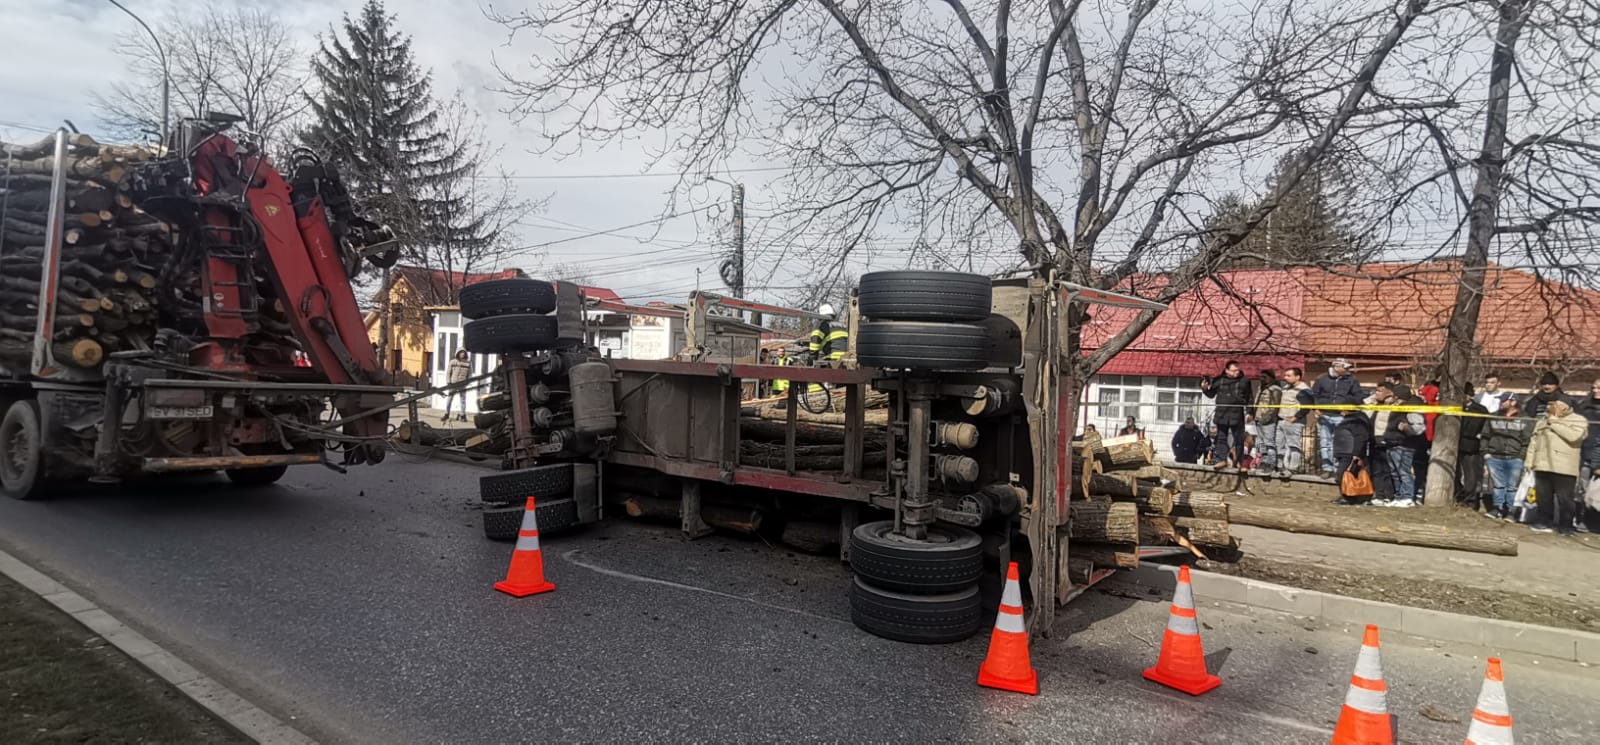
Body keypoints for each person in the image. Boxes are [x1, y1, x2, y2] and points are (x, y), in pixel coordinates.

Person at [1522, 399, 1588, 535]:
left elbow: (1574, 437)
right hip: (1541, 463)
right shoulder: (1542, 420)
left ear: (1565, 407)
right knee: (1543, 496)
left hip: (1564, 466)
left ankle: (1566, 526)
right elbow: (1533, 441)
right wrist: (1529, 461)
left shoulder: (1578, 420)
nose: (1549, 407)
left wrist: (1555, 421)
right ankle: (1543, 521)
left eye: (1554, 404)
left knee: (1565, 499)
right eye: (1549, 404)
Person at [1374, 382, 1427, 507]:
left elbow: (1419, 428)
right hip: (1392, 443)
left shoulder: (1410, 408)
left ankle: (1407, 497)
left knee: (1404, 472)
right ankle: (1398, 496)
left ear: (1398, 396)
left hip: (1404, 445)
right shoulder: (1396, 406)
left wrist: (1407, 429)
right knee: (1395, 472)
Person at [1481, 396, 1532, 521]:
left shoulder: (1525, 419)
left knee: (1512, 487)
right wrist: (1485, 452)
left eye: (1504, 401)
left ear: (1513, 402)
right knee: (1498, 486)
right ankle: (1497, 509)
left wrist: (1521, 457)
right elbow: (1485, 435)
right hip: (1495, 457)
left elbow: (1527, 441)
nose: (1501, 403)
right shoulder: (1493, 416)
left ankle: (1511, 512)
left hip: (1514, 458)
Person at [1310, 359, 1363, 477]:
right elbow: (1314, 395)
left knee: (1339, 444)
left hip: (1341, 416)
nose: (1347, 370)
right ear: (1336, 367)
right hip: (1324, 415)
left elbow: (1358, 396)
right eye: (1345, 367)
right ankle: (1327, 468)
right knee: (1325, 443)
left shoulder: (1352, 380)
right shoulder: (1322, 379)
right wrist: (1316, 409)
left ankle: (1338, 468)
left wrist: (1349, 409)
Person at [1200, 360, 1253, 469]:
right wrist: (1205, 389)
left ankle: (1239, 462)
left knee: (1238, 439)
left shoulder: (1244, 381)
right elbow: (1211, 394)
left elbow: (1249, 398)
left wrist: (1250, 412)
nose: (1236, 373)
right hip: (1222, 413)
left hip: (1237, 414)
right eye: (1233, 371)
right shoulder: (1219, 380)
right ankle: (1221, 459)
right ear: (1227, 370)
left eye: (1237, 370)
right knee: (1221, 438)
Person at [1456, 385, 1491, 510]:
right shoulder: (1455, 407)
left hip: (1472, 447)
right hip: (1454, 446)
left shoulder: (1479, 410)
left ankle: (1471, 501)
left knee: (1471, 476)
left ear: (1469, 395)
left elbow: (1478, 429)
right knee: (1454, 474)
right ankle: (1458, 497)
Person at [1332, 406, 1374, 505]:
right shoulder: (1350, 420)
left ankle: (1350, 497)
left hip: (1350, 453)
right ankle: (1346, 496)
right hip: (1344, 452)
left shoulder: (1357, 421)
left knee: (1344, 475)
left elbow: (1361, 438)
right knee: (1344, 475)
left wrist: (1357, 453)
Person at [1277, 367, 1310, 476]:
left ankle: (1293, 468)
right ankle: (1279, 466)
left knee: (1294, 446)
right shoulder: (1286, 388)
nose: (1285, 378)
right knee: (1279, 444)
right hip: (1282, 420)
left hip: (1294, 421)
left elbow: (1306, 407)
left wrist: (1295, 418)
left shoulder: (1303, 389)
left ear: (1297, 377)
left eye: (1288, 376)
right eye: (1285, 375)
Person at [1252, 370, 1283, 474]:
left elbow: (1275, 406)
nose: (1262, 379)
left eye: (1264, 377)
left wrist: (1267, 418)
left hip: (1268, 420)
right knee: (1261, 443)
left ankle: (1271, 463)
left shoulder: (1275, 389)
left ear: (1271, 378)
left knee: (1269, 442)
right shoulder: (1261, 388)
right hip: (1258, 418)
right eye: (1261, 377)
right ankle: (1263, 462)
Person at [1577, 379, 1600, 485]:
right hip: (1586, 450)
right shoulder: (1583, 406)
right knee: (1584, 483)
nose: (1595, 390)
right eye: (1593, 387)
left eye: (1599, 388)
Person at [442, 350, 472, 422]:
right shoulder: (453, 362)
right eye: (461, 353)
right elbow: (448, 372)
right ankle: (446, 414)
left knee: (463, 400)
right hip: (453, 383)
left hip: (462, 384)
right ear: (458, 353)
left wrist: (467, 382)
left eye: (463, 353)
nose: (462, 354)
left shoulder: (468, 363)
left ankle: (462, 415)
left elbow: (470, 374)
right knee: (449, 399)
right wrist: (448, 382)